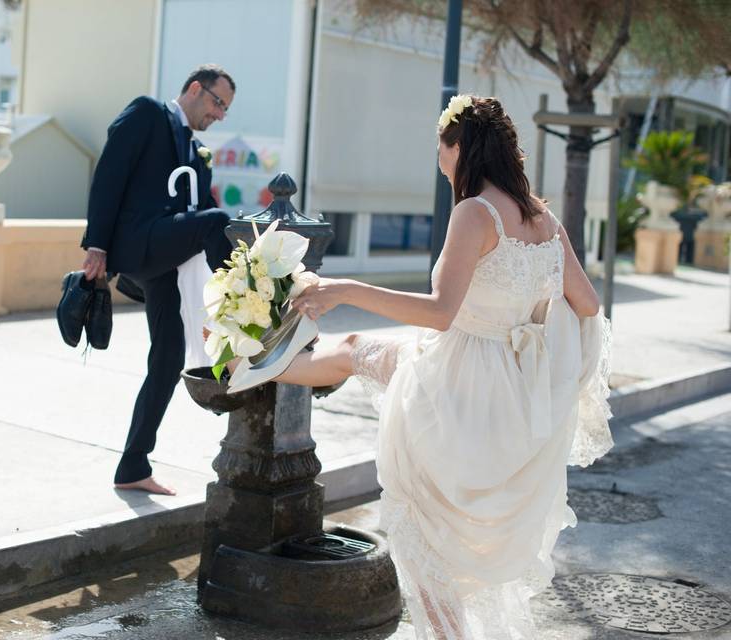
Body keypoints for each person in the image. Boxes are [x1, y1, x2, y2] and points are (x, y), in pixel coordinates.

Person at [261, 96, 613, 638]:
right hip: (512, 393)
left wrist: (348, 288)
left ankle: (262, 365)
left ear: (460, 147)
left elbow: (441, 314)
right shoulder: (544, 219)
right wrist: (533, 327)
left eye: (441, 148)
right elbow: (588, 305)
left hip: (459, 384)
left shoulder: (475, 212)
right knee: (359, 350)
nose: (439, 159)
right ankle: (267, 364)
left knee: (427, 536)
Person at [81, 64, 235, 496]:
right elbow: (109, 174)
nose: (220, 114)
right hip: (136, 242)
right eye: (217, 102)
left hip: (165, 258)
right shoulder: (148, 113)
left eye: (225, 109)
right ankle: (242, 319)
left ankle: (133, 466)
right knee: (218, 222)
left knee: (168, 357)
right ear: (193, 89)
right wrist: (97, 245)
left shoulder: (196, 150)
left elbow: (199, 208)